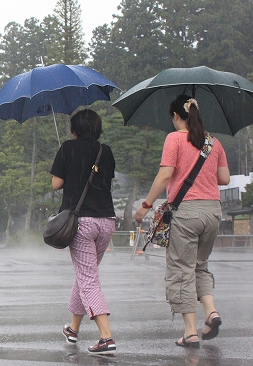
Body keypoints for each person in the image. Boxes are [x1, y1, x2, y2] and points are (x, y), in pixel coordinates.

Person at [134, 95, 229, 348]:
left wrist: (146, 205)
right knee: (200, 265)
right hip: (213, 212)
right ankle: (211, 312)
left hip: (186, 212)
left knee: (181, 270)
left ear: (177, 116)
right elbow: (225, 178)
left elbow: (165, 175)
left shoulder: (174, 139)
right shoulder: (212, 142)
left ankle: (190, 332)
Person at [50, 109, 117, 356]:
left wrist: (70, 171)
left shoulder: (67, 148)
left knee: (88, 279)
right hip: (107, 221)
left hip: (81, 223)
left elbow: (56, 184)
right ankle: (73, 329)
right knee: (85, 274)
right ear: (97, 129)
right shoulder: (105, 151)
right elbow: (104, 180)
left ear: (74, 129)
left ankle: (106, 337)